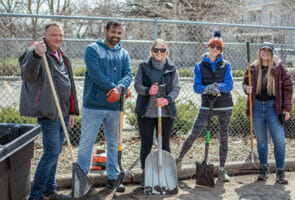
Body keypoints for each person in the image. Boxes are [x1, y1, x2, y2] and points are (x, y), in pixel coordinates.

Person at [19, 22, 79, 200]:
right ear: (45, 35)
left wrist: (71, 112)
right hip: (48, 112)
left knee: (55, 152)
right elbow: (27, 75)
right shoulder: (36, 51)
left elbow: (70, 87)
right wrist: (37, 55)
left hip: (62, 113)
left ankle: (49, 190)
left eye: (60, 35)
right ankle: (36, 195)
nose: (58, 38)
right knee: (52, 152)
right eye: (54, 35)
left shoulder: (62, 57)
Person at [77, 21, 132, 192]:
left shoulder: (123, 53)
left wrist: (121, 88)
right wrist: (113, 88)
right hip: (93, 105)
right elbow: (95, 73)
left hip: (115, 107)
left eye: (119, 33)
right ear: (105, 31)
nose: (116, 35)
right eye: (113, 32)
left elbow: (128, 74)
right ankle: (81, 180)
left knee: (113, 142)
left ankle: (113, 177)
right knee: (87, 142)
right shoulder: (93, 49)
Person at [176, 31, 233, 182]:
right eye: (212, 46)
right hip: (207, 106)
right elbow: (196, 86)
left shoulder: (226, 65)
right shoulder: (199, 66)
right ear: (208, 47)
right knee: (194, 133)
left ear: (221, 50)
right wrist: (207, 89)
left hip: (225, 106)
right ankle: (179, 159)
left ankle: (221, 169)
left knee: (223, 137)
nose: (214, 49)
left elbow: (229, 85)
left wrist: (217, 86)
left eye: (218, 47)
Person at [242, 42, 293, 184]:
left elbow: (288, 88)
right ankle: (264, 168)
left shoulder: (279, 67)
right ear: (259, 52)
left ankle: (280, 171)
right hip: (257, 107)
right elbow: (245, 82)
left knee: (279, 140)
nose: (265, 52)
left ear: (271, 53)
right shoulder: (252, 67)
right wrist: (247, 88)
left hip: (273, 108)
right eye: (263, 50)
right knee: (262, 141)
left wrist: (287, 109)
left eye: (268, 50)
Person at [134, 39, 180, 187]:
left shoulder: (172, 69)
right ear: (151, 51)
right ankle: (145, 174)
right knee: (146, 144)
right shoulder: (143, 67)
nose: (159, 53)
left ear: (166, 52)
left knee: (164, 143)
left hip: (165, 113)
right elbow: (137, 85)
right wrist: (148, 91)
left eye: (162, 50)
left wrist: (167, 100)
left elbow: (176, 89)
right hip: (146, 112)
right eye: (156, 50)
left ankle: (165, 174)